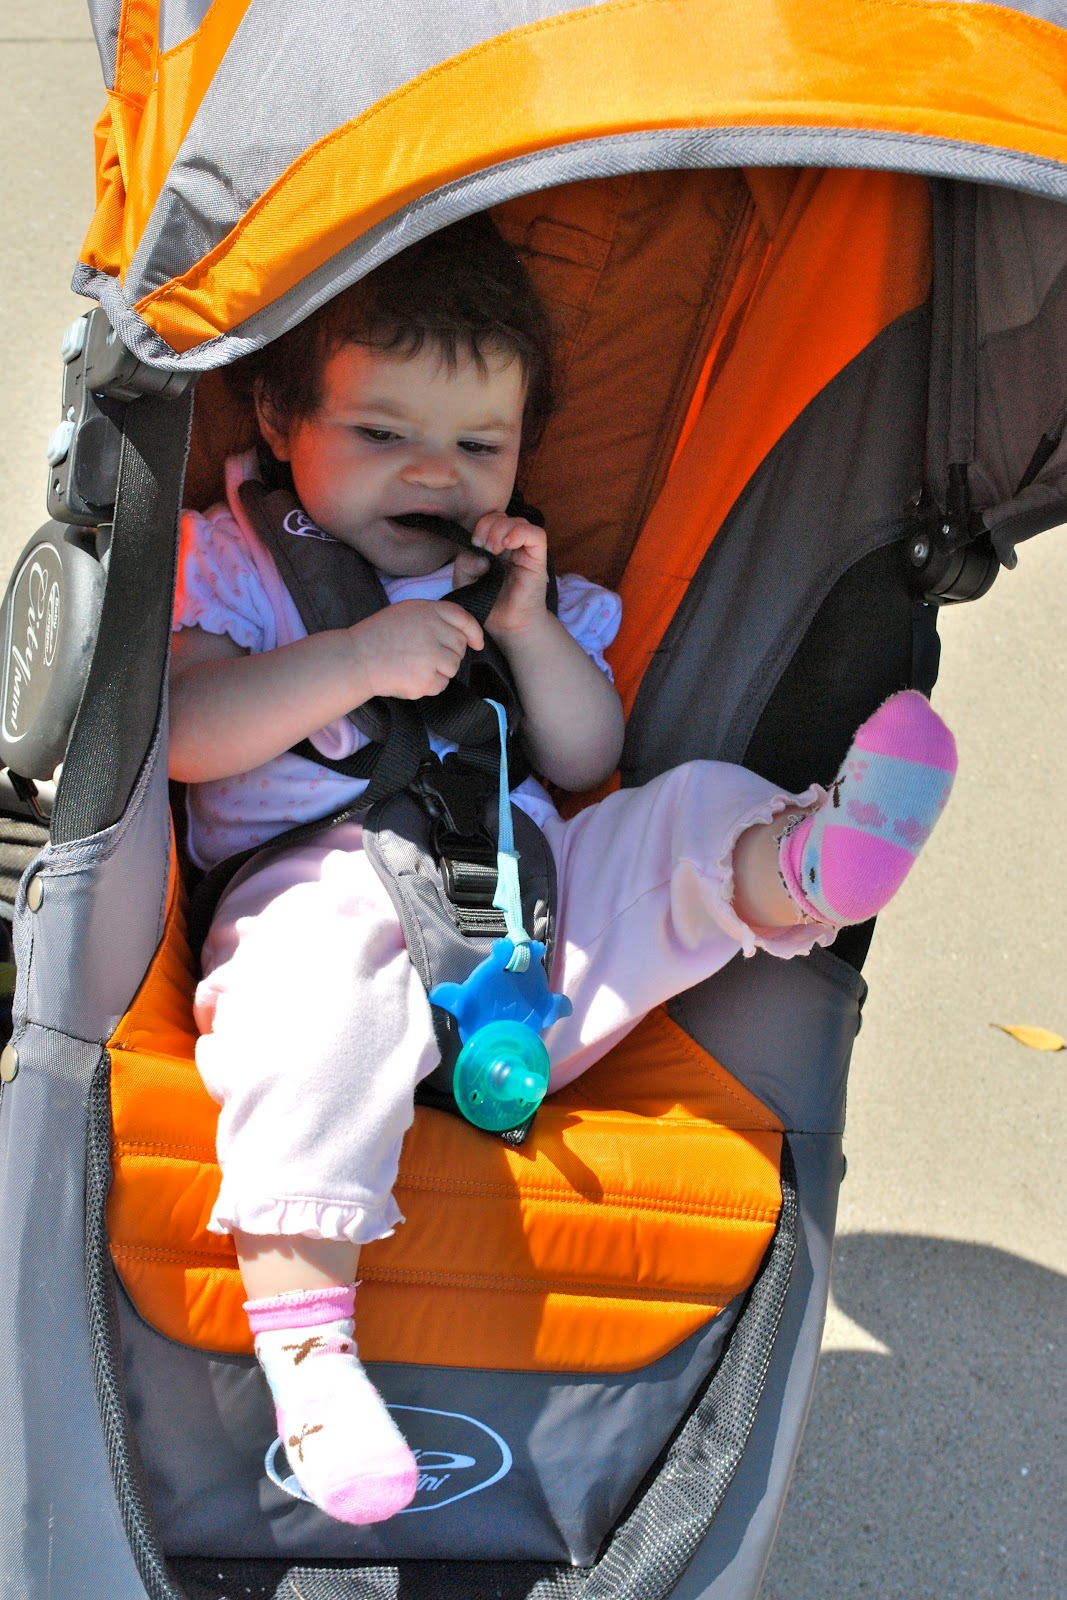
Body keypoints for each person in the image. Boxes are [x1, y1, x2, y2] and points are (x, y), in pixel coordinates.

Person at [169, 214, 957, 1528]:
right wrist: (351, 662)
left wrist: (530, 633)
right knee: (313, 996)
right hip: (314, 903)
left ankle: (803, 866)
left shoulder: (520, 586)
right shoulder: (239, 563)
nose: (436, 473)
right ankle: (308, 1352)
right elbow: (191, 734)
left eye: (480, 447)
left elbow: (589, 753)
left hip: (524, 937)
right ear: (278, 420)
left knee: (670, 812)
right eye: (383, 433)